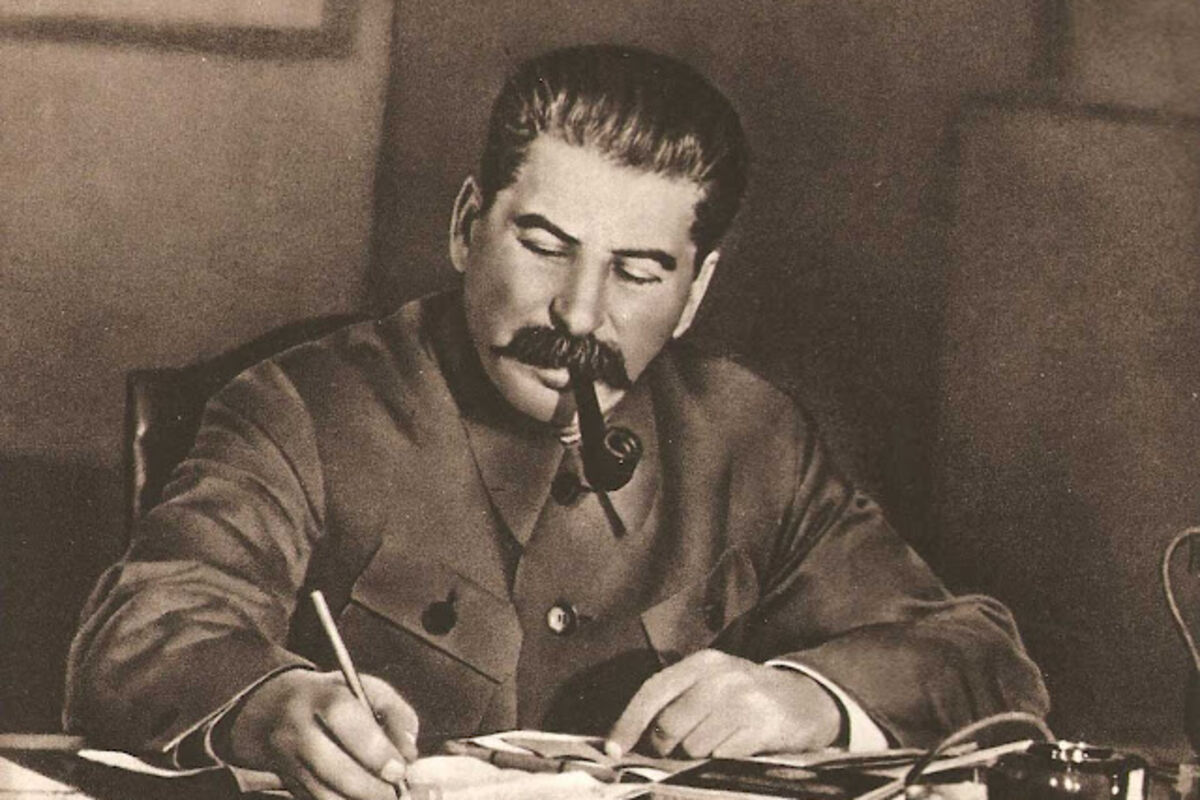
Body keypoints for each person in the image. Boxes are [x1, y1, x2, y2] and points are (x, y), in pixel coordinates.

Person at [65, 44, 1048, 800]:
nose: (579, 315)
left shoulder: (754, 439)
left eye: (638, 272)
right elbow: (146, 632)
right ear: (467, 226)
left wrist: (810, 698)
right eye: (543, 245)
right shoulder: (302, 407)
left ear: (696, 291)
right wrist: (268, 702)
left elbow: (983, 657)